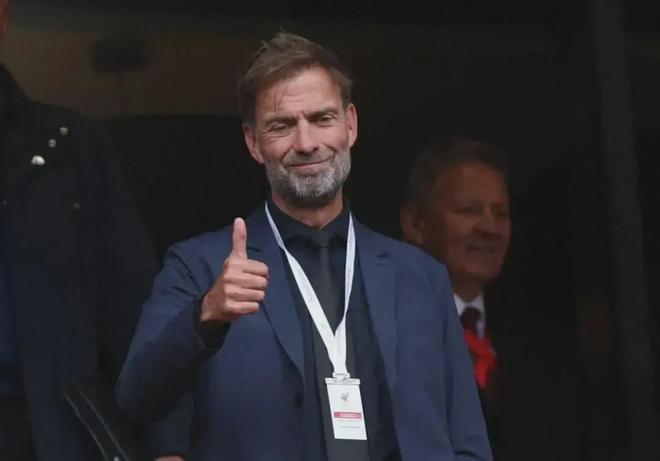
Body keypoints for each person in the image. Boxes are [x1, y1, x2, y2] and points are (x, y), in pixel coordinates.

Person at [117, 32, 491, 461]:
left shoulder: (420, 276)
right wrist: (206, 315)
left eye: (322, 118)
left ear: (350, 124)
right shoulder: (199, 267)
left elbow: (468, 440)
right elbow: (136, 398)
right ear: (253, 142)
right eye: (282, 125)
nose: (307, 143)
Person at [0, 1, 189, 459]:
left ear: (3, 15)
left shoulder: (70, 148)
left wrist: (168, 446)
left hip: (44, 431)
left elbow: (132, 308)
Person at [400, 138, 581, 461]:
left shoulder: (544, 348)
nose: (490, 228)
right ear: (416, 224)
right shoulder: (381, 336)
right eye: (469, 210)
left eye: (501, 213)